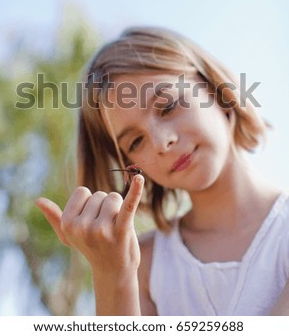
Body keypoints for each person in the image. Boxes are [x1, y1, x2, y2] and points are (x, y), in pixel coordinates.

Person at [36, 26, 289, 316]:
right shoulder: (142, 267)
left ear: (213, 88)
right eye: (136, 141)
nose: (161, 142)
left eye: (168, 106)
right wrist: (111, 275)